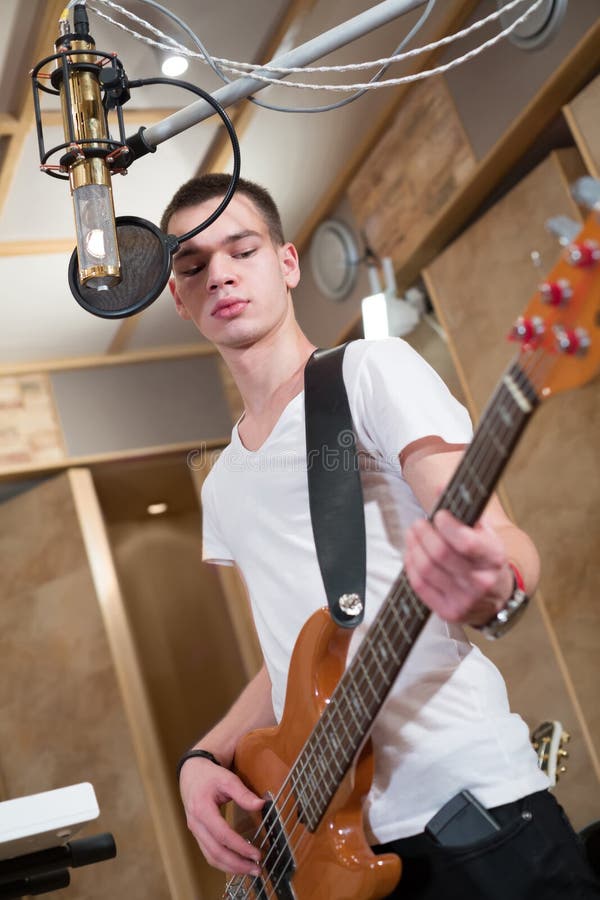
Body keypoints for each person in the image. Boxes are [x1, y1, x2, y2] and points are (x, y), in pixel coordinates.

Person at [161, 173, 599, 899]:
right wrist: (202, 758)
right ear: (178, 298)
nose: (221, 274)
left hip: (471, 810)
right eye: (194, 265)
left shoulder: (369, 372)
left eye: (242, 249)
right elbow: (291, 658)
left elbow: (502, 542)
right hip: (340, 856)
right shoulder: (223, 483)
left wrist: (495, 587)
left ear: (288, 262)